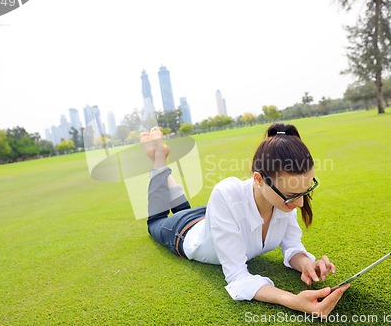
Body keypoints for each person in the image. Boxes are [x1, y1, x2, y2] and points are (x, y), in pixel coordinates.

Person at [140, 123, 349, 318]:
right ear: (259, 179)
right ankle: (158, 161)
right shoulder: (227, 193)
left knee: (186, 209)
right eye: (292, 194)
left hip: (215, 219)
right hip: (184, 231)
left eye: (305, 191)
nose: (301, 203)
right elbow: (237, 276)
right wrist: (293, 300)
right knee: (156, 221)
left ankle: (162, 162)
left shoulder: (284, 199)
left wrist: (306, 263)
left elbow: (292, 245)